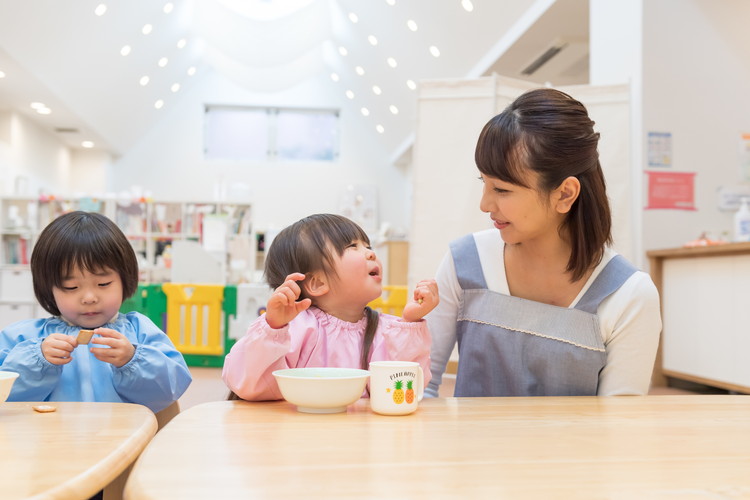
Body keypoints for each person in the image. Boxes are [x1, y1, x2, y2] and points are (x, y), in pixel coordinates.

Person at [426, 88, 661, 398]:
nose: (485, 204)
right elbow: (420, 387)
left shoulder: (629, 295)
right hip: (469, 448)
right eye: (484, 183)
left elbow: (618, 427)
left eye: (503, 190)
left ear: (564, 194)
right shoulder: (465, 262)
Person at [223, 213, 438, 401]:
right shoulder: (298, 328)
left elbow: (399, 391)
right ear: (317, 283)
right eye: (352, 246)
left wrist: (411, 322)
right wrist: (274, 328)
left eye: (368, 246)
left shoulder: (388, 330)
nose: (371, 253)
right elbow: (251, 384)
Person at [0, 211, 192, 413]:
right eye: (71, 287)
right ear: (49, 289)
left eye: (103, 283)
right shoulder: (24, 337)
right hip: (50, 442)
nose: (89, 297)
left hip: (125, 440)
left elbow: (170, 389)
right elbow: (6, 394)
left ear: (125, 279)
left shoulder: (139, 331)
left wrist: (133, 360)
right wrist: (36, 360)